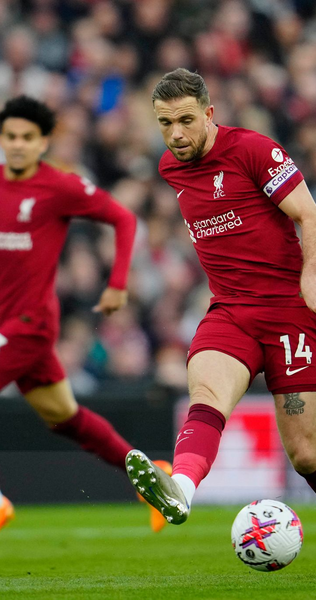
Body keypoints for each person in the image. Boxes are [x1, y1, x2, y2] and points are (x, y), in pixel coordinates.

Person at [126, 68, 316, 577]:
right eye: (165, 123)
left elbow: (313, 220)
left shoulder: (254, 150)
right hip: (231, 311)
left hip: (290, 314)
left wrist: (310, 279)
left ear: (210, 114)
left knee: (304, 455)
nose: (176, 134)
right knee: (206, 399)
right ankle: (181, 489)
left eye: (186, 120)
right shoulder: (170, 166)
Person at [0, 95, 168, 533]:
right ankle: (153, 478)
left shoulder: (60, 186)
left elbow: (124, 219)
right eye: (9, 136)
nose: (17, 145)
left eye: (26, 137)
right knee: (65, 418)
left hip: (30, 325)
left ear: (43, 143)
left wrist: (116, 282)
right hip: (8, 328)